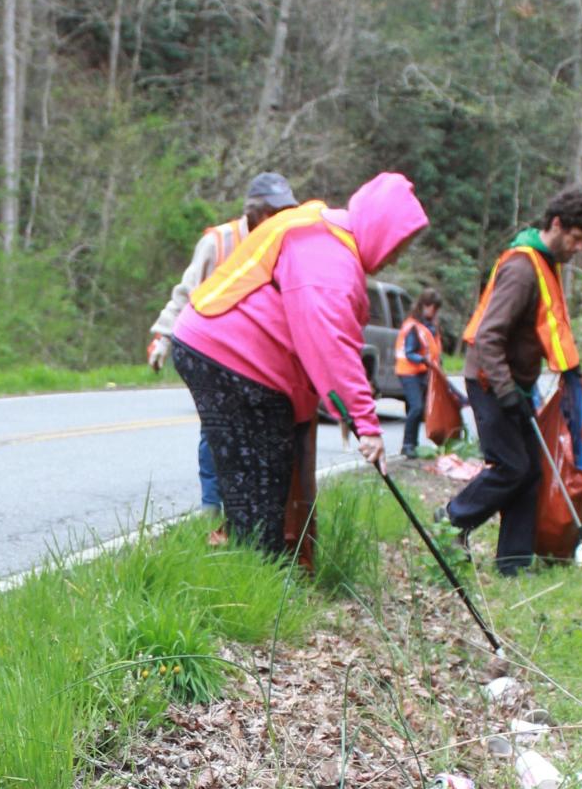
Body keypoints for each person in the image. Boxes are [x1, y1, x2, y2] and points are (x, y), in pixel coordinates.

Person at [169, 173, 428, 554]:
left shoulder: (327, 236)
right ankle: (250, 591)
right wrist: (365, 424)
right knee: (257, 498)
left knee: (267, 487)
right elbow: (330, 343)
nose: (396, 256)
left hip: (239, 364)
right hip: (229, 362)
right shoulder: (327, 256)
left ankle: (261, 575)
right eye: (399, 244)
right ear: (380, 228)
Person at [439, 186, 582, 576]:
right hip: (490, 381)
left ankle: (513, 563)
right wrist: (505, 390)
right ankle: (449, 521)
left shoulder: (546, 266)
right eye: (576, 239)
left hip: (514, 385)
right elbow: (488, 336)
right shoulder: (521, 269)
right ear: (557, 225)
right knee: (511, 466)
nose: (579, 248)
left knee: (531, 469)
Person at [147, 172, 298, 515]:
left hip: (258, 356)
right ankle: (212, 509)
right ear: (255, 213)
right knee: (216, 428)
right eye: (274, 212)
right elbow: (187, 292)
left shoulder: (285, 241)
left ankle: (251, 512)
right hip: (213, 352)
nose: (280, 219)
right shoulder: (220, 241)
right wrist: (162, 338)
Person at [395, 288, 443, 457]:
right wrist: (424, 361)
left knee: (415, 408)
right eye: (433, 307)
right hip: (409, 372)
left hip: (422, 372)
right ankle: (407, 445)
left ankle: (412, 445)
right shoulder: (413, 326)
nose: (434, 311)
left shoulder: (427, 325)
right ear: (425, 305)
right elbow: (410, 352)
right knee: (416, 407)